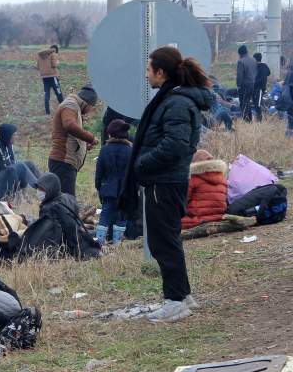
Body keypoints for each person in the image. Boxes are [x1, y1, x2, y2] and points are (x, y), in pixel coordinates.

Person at [117, 46, 212, 322]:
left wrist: (140, 165)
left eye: (148, 69)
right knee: (168, 240)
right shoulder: (173, 98)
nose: (146, 75)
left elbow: (175, 145)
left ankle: (174, 302)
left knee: (163, 243)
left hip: (164, 181)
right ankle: (184, 296)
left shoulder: (177, 102)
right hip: (166, 180)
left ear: (161, 72)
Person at [47, 83, 99, 198]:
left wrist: (83, 145)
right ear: (87, 101)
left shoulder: (73, 105)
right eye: (92, 106)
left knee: (61, 200)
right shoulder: (71, 105)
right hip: (64, 163)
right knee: (67, 201)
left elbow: (69, 136)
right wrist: (90, 137)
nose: (91, 109)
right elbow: (69, 125)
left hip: (64, 162)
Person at [94, 119, 132, 244]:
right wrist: (135, 188)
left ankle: (100, 241)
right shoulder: (130, 150)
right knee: (122, 215)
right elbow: (133, 172)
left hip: (108, 186)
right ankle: (117, 242)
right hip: (125, 188)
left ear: (110, 134)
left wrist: (98, 187)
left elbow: (99, 171)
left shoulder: (105, 149)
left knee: (105, 213)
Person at [0, 123, 42, 200]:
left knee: (29, 163)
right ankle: (39, 187)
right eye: (14, 135)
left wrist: (11, 163)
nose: (16, 137)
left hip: (8, 172)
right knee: (20, 165)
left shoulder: (9, 144)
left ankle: (44, 183)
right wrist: (11, 163)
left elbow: (12, 161)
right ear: (7, 136)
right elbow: (4, 164)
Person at [181, 150, 228, 230]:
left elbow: (181, 201)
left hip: (196, 222)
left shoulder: (193, 178)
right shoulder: (223, 179)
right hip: (218, 220)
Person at [37, 45, 63, 115]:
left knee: (47, 95)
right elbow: (54, 65)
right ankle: (64, 111)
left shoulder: (40, 55)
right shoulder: (53, 54)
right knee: (59, 93)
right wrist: (57, 62)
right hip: (52, 76)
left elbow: (38, 66)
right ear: (55, 50)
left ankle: (47, 112)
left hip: (44, 77)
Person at [235, 45, 257, 122]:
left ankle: (245, 119)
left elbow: (240, 74)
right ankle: (249, 118)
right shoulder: (253, 59)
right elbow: (256, 72)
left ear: (240, 53)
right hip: (252, 84)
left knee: (243, 103)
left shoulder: (241, 61)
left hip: (244, 85)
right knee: (248, 102)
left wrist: (239, 85)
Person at [253, 52, 270, 122]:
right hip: (256, 88)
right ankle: (258, 118)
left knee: (258, 105)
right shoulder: (256, 67)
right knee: (256, 104)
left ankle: (259, 120)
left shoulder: (262, 67)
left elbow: (262, 79)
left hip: (259, 88)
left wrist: (254, 83)